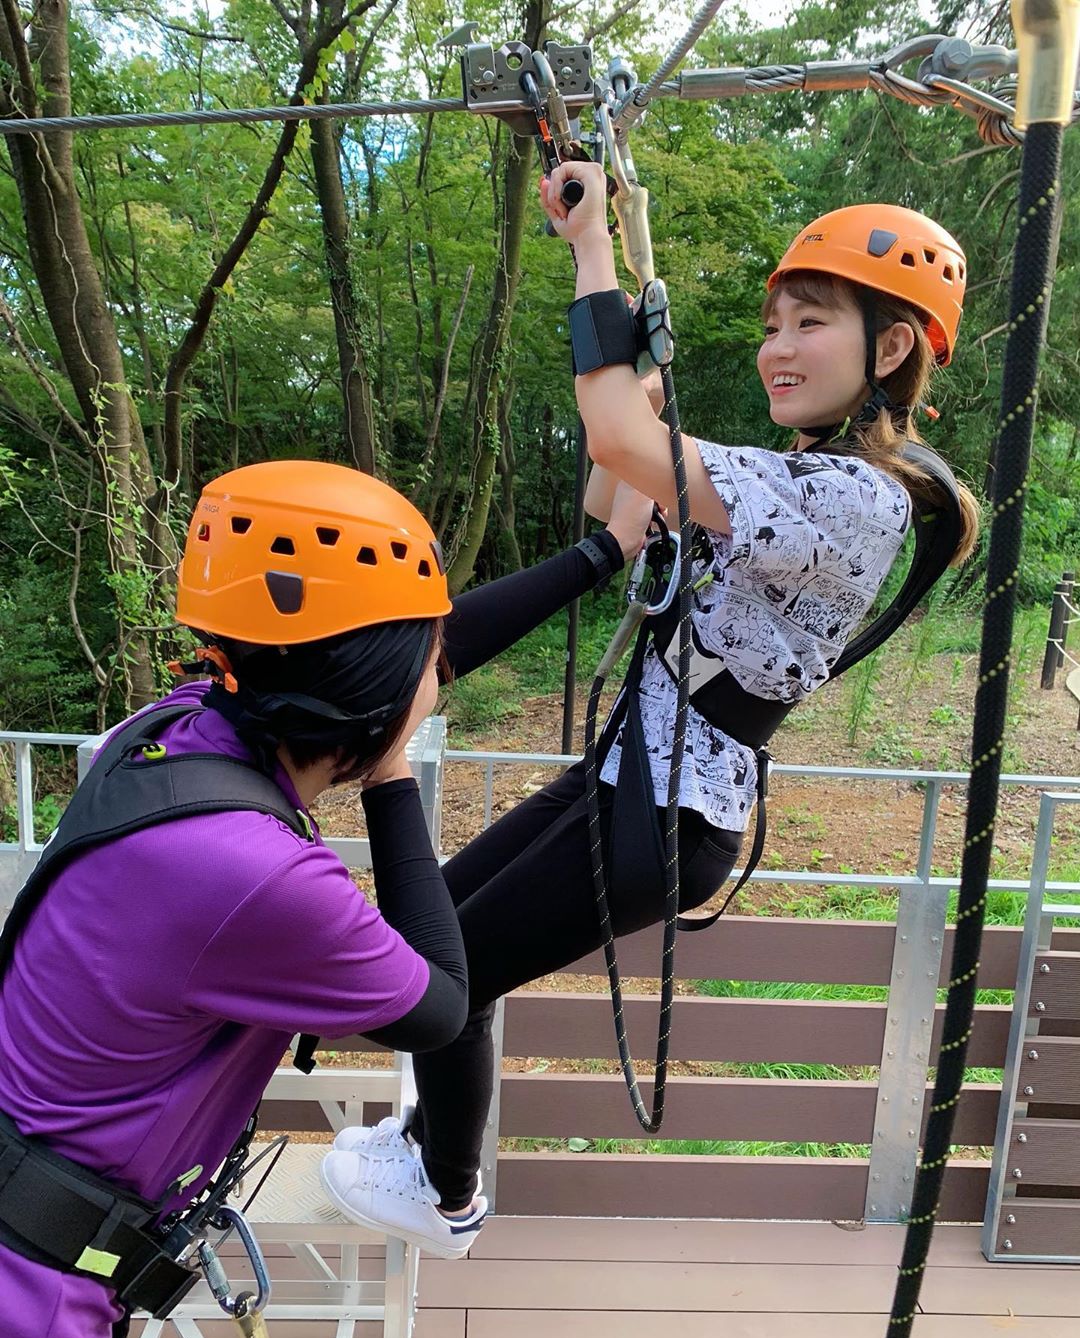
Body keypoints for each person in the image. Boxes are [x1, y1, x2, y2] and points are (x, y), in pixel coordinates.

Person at [319, 170, 980, 1254]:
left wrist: (592, 261)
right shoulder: (791, 477)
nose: (778, 346)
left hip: (665, 815)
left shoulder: (857, 501)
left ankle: (446, 1194)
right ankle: (430, 1145)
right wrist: (633, 385)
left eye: (809, 323)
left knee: (448, 969)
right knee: (435, 925)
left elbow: (629, 451)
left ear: (892, 349)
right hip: (635, 779)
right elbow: (614, 499)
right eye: (774, 324)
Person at [0, 460, 652, 1338]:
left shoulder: (171, 731)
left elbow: (412, 651)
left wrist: (604, 551)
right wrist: (391, 776)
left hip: (46, 1228)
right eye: (429, 658)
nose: (444, 667)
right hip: (36, 1294)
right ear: (380, 693)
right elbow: (439, 1003)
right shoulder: (256, 876)